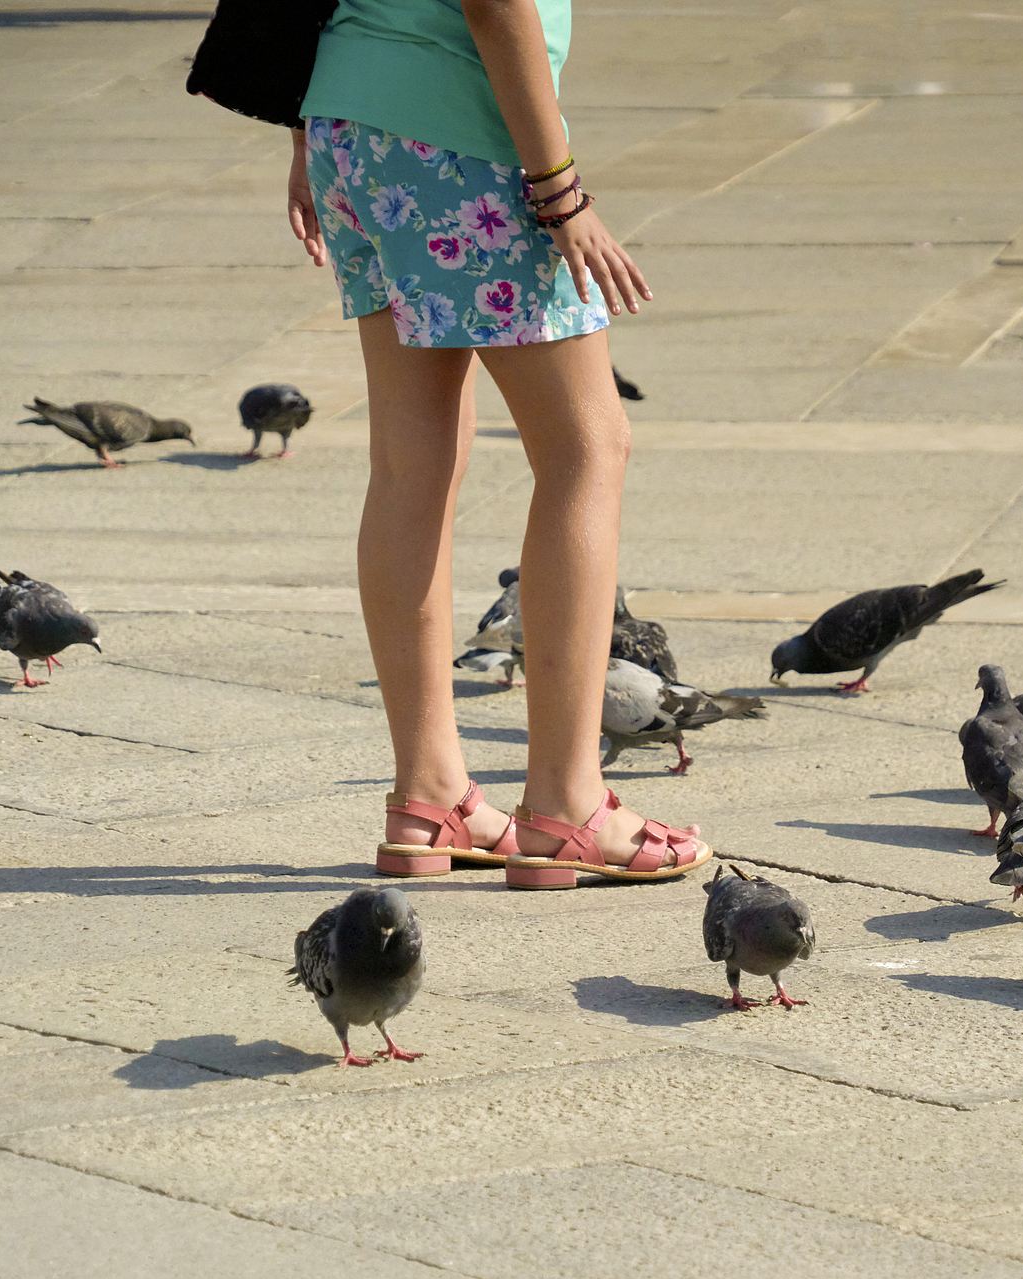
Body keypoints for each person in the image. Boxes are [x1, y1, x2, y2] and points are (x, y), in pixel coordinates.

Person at [287, 0, 708, 889]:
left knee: (412, 460)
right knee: (588, 448)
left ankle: (429, 796)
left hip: (348, 122)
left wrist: (314, 136)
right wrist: (558, 187)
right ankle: (567, 804)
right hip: (462, 136)